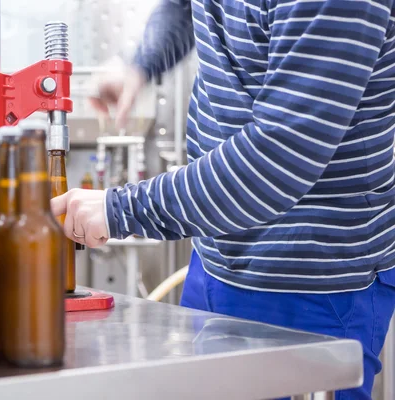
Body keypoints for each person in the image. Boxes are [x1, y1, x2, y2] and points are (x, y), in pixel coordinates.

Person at [50, 0, 395, 398]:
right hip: (215, 259)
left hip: (310, 285)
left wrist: (122, 210)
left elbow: (279, 156)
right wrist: (143, 64)